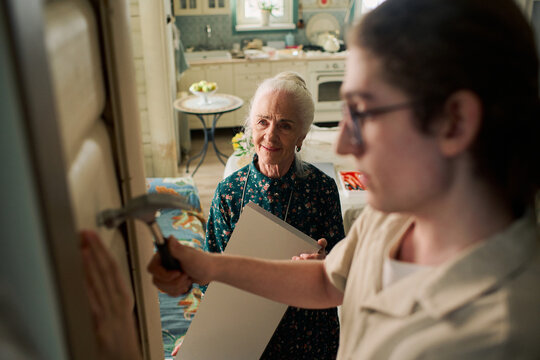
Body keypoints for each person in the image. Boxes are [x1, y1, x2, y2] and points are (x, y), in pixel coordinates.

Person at [83, 0, 540, 358]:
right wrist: (209, 265)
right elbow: (327, 281)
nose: (343, 144)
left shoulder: (495, 338)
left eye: (364, 111)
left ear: (454, 123)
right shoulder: (392, 220)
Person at [203, 71, 344, 359]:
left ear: (301, 136)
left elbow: (343, 270)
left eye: (285, 125)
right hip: (248, 332)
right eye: (263, 122)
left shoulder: (323, 189)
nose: (270, 135)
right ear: (250, 127)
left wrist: (324, 264)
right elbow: (209, 275)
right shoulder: (229, 193)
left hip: (309, 334)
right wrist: (203, 336)